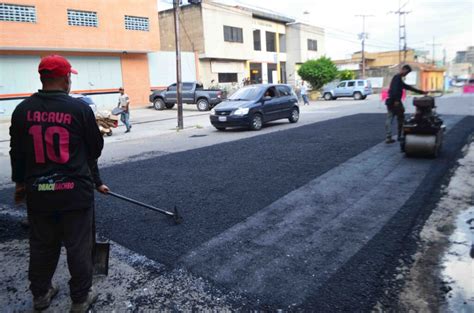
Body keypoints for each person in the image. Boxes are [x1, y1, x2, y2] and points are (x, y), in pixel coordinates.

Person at [9, 55, 109, 312]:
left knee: (42, 245)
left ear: (42, 78)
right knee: (78, 246)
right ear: (66, 78)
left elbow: (17, 153)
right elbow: (95, 149)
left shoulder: (21, 110)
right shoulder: (79, 109)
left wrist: (20, 184)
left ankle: (41, 295)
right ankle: (80, 298)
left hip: (40, 194)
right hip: (74, 194)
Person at [385, 64, 427, 143]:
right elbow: (394, 90)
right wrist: (397, 101)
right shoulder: (397, 78)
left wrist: (421, 92)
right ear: (403, 69)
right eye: (406, 72)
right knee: (400, 118)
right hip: (395, 101)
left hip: (390, 101)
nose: (406, 74)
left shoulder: (398, 79)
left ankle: (388, 137)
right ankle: (399, 136)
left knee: (390, 118)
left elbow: (408, 87)